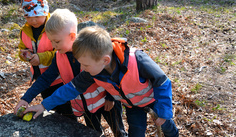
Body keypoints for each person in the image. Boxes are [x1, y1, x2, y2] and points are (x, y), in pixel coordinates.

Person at [23, 26, 180, 137]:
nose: (82, 69)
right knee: (136, 132)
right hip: (133, 107)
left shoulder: (137, 60)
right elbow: (70, 89)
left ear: (105, 60)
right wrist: (43, 105)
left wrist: (164, 112)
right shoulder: (93, 69)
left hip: (154, 101)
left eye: (85, 65)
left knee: (166, 126)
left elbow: (162, 82)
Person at [14, 9, 127, 137]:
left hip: (107, 101)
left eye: (57, 41)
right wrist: (26, 98)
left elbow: (110, 74)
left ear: (72, 36)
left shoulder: (90, 53)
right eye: (51, 41)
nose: (53, 45)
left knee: (119, 132)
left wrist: (110, 97)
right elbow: (45, 79)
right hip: (87, 107)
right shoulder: (58, 56)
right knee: (93, 133)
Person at [17, 0, 73, 119]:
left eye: (37, 16)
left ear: (45, 12)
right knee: (53, 110)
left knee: (67, 111)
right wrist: (23, 54)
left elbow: (60, 53)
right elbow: (22, 47)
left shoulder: (54, 28)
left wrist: (41, 57)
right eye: (29, 17)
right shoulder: (25, 31)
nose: (33, 20)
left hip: (59, 78)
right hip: (41, 78)